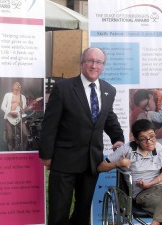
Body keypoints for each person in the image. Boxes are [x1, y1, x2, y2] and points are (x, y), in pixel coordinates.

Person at [39, 47, 125, 225]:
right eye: (90, 61)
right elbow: (50, 123)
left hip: (91, 162)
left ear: (103, 66)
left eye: (99, 62)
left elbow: (108, 117)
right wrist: (46, 154)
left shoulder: (109, 90)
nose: (94, 65)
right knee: (59, 211)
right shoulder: (63, 88)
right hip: (64, 161)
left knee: (82, 210)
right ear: (82, 63)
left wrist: (118, 138)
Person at [97, 119, 162, 225]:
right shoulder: (127, 149)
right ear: (137, 140)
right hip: (145, 194)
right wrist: (118, 163)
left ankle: (156, 221)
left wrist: (150, 183)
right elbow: (100, 167)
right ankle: (159, 219)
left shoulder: (158, 147)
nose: (149, 141)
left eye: (152, 136)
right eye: (144, 139)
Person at [1, 82, 29, 151]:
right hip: (9, 117)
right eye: (16, 84)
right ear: (13, 86)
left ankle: (23, 151)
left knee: (25, 134)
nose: (18, 85)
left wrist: (26, 106)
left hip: (19, 117)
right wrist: (10, 113)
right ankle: (10, 153)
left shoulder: (22, 97)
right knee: (9, 138)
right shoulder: (8, 95)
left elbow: (23, 109)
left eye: (19, 84)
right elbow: (2, 106)